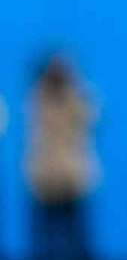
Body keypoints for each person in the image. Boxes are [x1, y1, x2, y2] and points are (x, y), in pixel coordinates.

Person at [25, 55, 98, 260]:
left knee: (78, 240)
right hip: (45, 181)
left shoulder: (78, 97)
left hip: (74, 180)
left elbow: (91, 117)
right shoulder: (37, 98)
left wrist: (75, 89)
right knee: (45, 241)